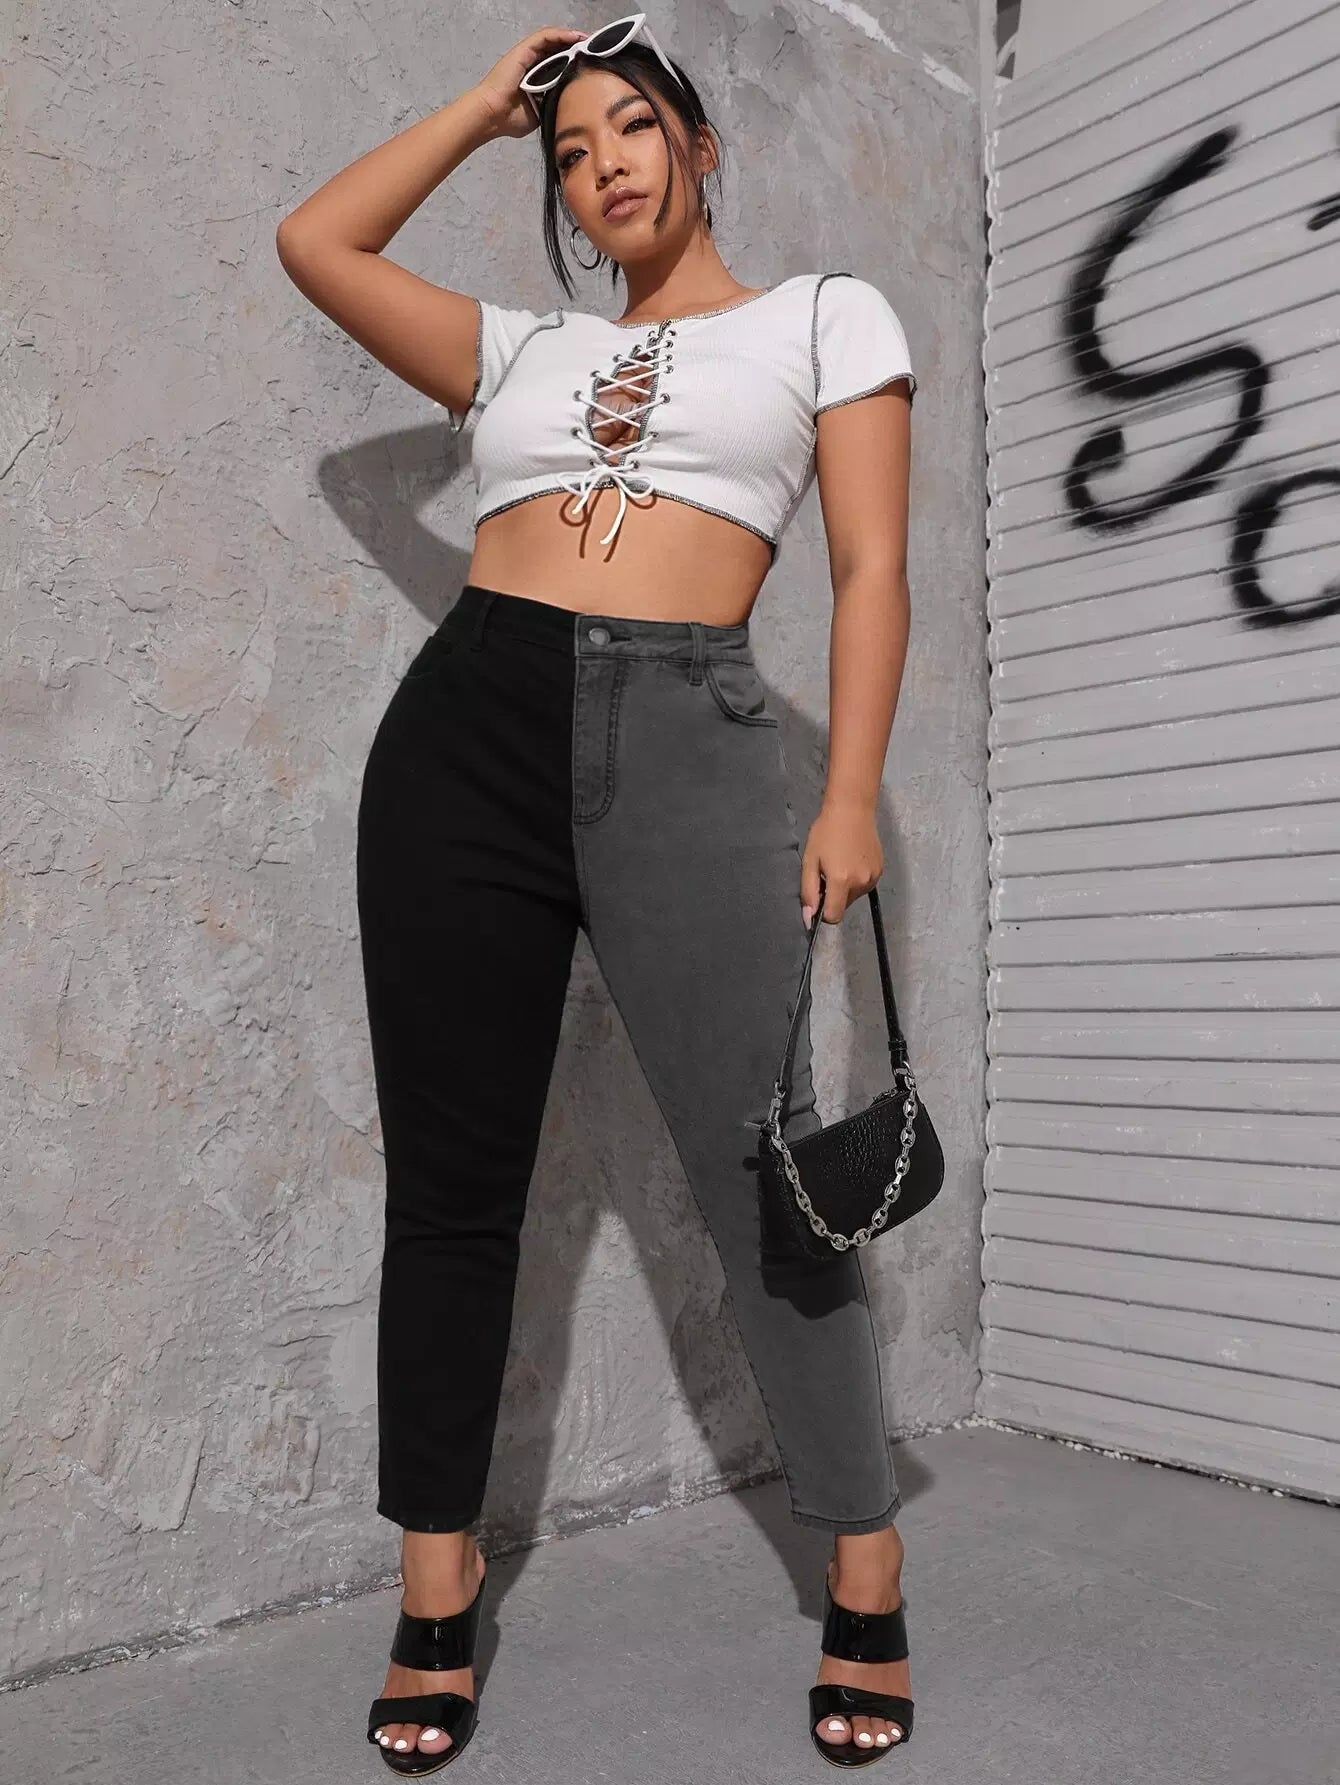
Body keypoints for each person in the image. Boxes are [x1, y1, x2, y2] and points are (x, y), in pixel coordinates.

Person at [275, 15, 918, 1773]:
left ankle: (864, 1555)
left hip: (695, 736)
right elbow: (316, 242)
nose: (605, 163)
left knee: (767, 1174)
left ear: (701, 146)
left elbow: (872, 566)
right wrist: (485, 105)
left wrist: (847, 789)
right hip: (464, 736)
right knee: (453, 1186)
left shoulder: (825, 317)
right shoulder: (523, 349)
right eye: (571, 151)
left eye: (635, 127)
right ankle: (436, 1583)